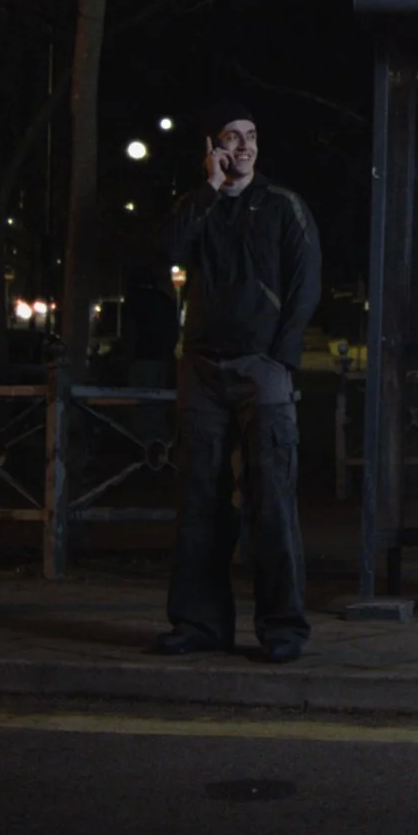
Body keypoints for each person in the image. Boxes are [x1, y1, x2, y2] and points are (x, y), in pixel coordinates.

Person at [152, 103, 323, 664]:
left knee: (272, 498)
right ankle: (199, 624)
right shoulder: (197, 205)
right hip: (202, 368)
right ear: (213, 147)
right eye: (232, 137)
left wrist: (280, 358)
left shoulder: (282, 205)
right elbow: (168, 252)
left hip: (261, 368)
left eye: (251, 136)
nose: (245, 146)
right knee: (199, 500)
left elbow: (305, 282)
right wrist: (208, 188)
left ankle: (282, 627)